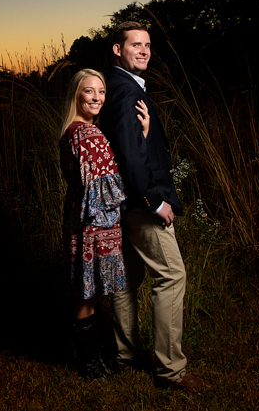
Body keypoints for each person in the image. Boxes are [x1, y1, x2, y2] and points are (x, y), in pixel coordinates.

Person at [98, 21, 205, 390]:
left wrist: (142, 137)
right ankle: (170, 370)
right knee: (172, 275)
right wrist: (155, 201)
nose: (143, 50)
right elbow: (130, 156)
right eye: (135, 44)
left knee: (126, 281)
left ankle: (126, 355)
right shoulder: (127, 92)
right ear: (117, 49)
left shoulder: (117, 85)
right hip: (142, 204)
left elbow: (123, 143)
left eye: (147, 45)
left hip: (121, 205)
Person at [59, 68, 149, 381]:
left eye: (101, 92)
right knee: (88, 294)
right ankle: (90, 365)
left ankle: (92, 359)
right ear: (76, 95)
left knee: (89, 291)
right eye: (89, 91)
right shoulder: (87, 134)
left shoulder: (73, 130)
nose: (97, 97)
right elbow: (105, 187)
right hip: (93, 222)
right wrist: (143, 138)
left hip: (82, 216)